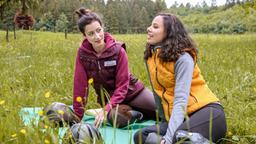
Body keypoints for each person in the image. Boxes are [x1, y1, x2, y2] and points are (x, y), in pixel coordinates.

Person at [133, 13, 227, 144]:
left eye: (155, 27)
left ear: (168, 32)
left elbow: (180, 101)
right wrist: (165, 122)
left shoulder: (183, 58)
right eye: (151, 25)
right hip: (182, 119)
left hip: (207, 113)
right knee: (141, 136)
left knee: (178, 137)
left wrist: (168, 138)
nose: (149, 29)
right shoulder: (151, 57)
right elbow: (157, 93)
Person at [73, 7, 156, 128]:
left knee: (164, 111)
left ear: (103, 27)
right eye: (91, 33)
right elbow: (80, 86)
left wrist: (105, 109)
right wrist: (77, 117)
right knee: (117, 119)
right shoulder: (82, 55)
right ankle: (138, 114)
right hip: (112, 101)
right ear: (84, 35)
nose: (97, 36)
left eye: (98, 30)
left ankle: (137, 110)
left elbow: (123, 86)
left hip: (133, 93)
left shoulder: (118, 50)